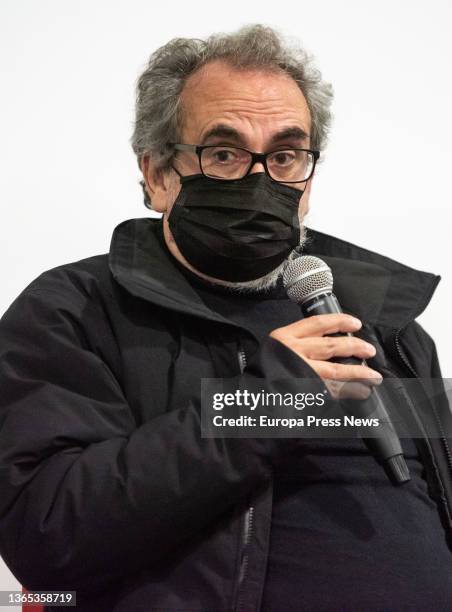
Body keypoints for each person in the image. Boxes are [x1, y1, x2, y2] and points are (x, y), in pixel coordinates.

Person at [0, 24, 451, 612]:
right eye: (224, 154)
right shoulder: (75, 309)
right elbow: (46, 532)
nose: (261, 179)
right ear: (159, 175)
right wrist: (269, 403)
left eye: (286, 155)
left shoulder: (385, 321)